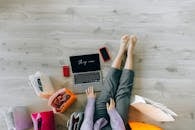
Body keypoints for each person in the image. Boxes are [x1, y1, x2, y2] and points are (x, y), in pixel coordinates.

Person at [80, 34, 137, 130]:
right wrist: (112, 112)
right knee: (123, 93)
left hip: (96, 124)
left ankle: (121, 50)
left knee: (109, 88)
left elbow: (87, 121)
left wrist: (91, 100)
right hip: (118, 126)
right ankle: (130, 51)